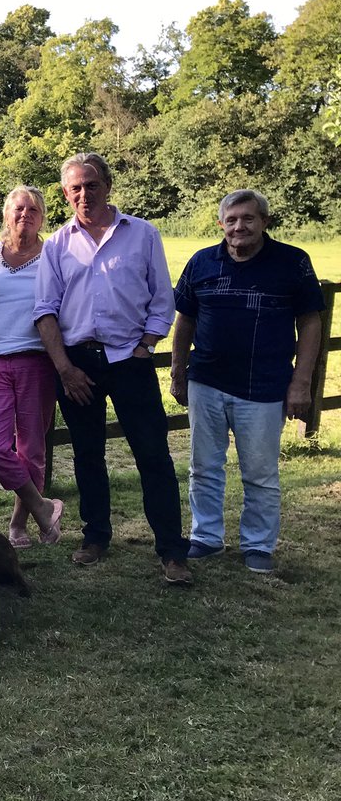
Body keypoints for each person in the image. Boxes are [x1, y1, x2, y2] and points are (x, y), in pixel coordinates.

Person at [34, 152, 192, 585]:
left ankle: (172, 551)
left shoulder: (141, 234)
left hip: (129, 360)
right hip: (77, 365)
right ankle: (95, 536)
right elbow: (45, 310)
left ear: (108, 185)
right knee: (87, 454)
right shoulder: (58, 245)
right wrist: (64, 368)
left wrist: (146, 345)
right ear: (66, 194)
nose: (84, 194)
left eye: (91, 184)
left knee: (153, 454)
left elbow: (163, 299)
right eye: (74, 188)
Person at [170, 189, 324, 574]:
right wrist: (177, 373)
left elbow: (310, 322)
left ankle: (258, 545)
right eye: (232, 219)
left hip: (265, 385)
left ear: (264, 222)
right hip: (206, 380)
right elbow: (184, 320)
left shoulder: (292, 263)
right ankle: (206, 537)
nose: (239, 226)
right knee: (204, 466)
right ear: (221, 223)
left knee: (260, 472)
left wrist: (301, 383)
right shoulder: (202, 262)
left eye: (248, 219)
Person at [0, 186, 64, 549]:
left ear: (42, 217)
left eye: (33, 210)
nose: (25, 215)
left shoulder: (53, 255)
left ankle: (19, 525)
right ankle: (42, 507)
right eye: (18, 209)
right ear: (6, 215)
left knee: (32, 448)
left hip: (38, 362)